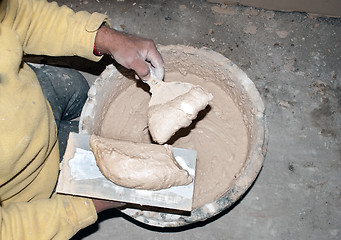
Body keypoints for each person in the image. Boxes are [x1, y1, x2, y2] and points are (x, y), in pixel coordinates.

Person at [0, 0, 164, 239]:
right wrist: (84, 206)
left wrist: (105, 39)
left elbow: (16, 14)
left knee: (76, 86)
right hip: (28, 184)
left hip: (32, 99)